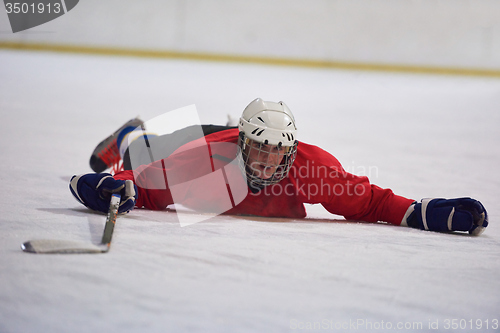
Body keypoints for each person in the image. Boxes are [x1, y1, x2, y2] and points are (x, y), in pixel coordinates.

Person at [69, 98, 488, 235]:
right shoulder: (205, 160)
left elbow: (370, 203)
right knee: (142, 149)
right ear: (242, 143)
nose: (269, 163)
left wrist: (420, 212)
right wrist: (113, 185)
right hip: (204, 140)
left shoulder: (311, 167)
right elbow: (144, 184)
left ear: (290, 151)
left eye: (277, 152)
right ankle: (128, 134)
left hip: (230, 134)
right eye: (260, 150)